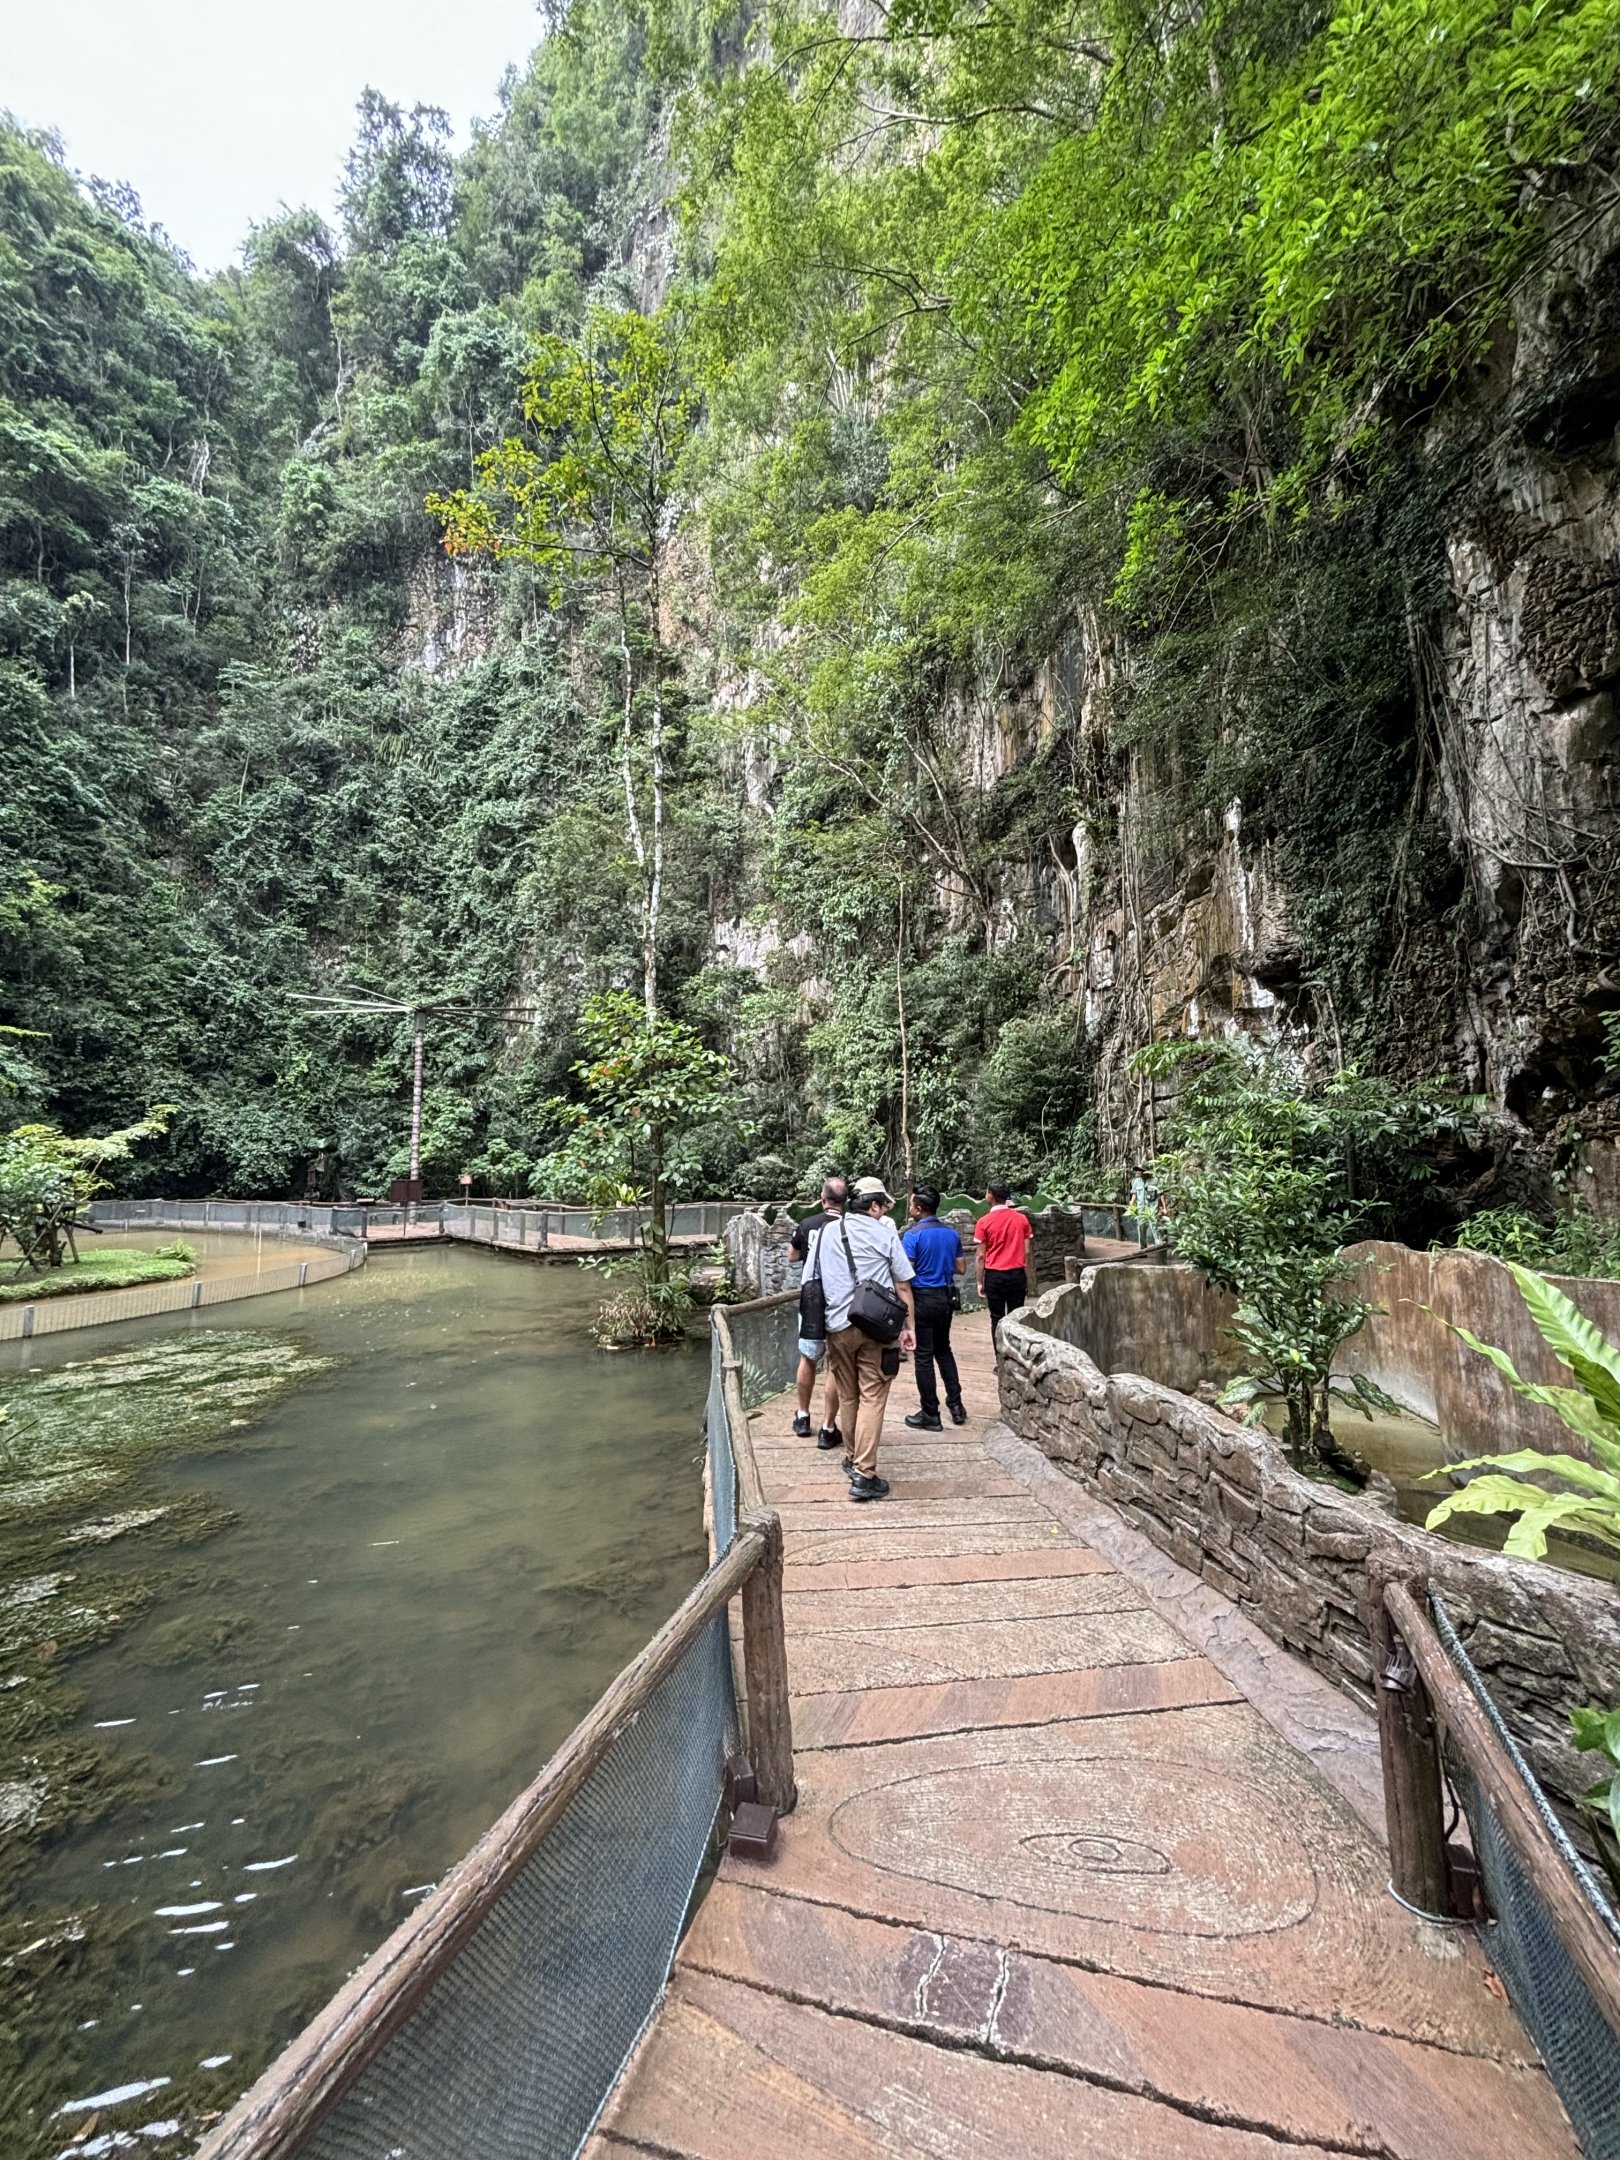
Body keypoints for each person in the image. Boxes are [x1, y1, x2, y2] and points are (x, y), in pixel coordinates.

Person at [805, 1175, 916, 1501]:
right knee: (872, 1396)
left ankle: (853, 1458)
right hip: (877, 1329)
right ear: (875, 1205)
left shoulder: (826, 1232)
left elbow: (811, 1280)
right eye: (883, 1206)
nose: (884, 1212)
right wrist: (909, 1328)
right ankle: (865, 1475)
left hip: (837, 1327)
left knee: (849, 1394)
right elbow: (903, 1285)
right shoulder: (884, 1232)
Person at [901, 1185, 967, 1430]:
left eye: (911, 1205)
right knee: (944, 1350)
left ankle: (930, 1413)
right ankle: (957, 1406)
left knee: (923, 1356)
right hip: (945, 1298)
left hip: (922, 1298)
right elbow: (961, 1268)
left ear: (919, 1209)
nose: (910, 1208)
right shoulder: (951, 1234)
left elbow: (904, 1273)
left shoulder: (912, 1236)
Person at [789, 1176, 847, 1448]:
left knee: (808, 1357)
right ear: (845, 1201)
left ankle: (802, 1417)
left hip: (811, 1299)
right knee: (835, 1363)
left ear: (822, 1198)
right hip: (840, 1300)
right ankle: (828, 1428)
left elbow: (792, 1256)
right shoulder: (848, 1226)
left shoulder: (808, 1224)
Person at [975, 1178, 1034, 1345]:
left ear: (990, 1197)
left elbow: (980, 1256)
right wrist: (1025, 1276)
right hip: (1017, 1274)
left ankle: (1000, 1361)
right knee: (1017, 1319)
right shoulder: (1021, 1219)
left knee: (997, 1319)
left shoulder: (983, 1222)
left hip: (994, 1276)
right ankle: (1018, 1359)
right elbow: (1027, 1251)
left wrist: (980, 1282)